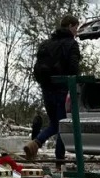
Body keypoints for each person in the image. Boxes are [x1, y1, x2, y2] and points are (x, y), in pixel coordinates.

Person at [25, 15, 81, 160]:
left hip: (47, 89)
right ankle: (56, 158)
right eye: (75, 27)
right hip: (62, 89)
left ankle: (36, 143)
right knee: (62, 125)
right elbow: (73, 68)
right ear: (69, 26)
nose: (76, 30)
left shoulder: (46, 43)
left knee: (55, 124)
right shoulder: (71, 44)